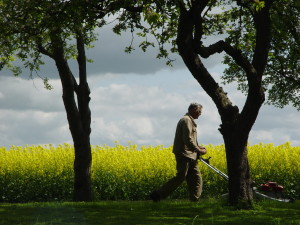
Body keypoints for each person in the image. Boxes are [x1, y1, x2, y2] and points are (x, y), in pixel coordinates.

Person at [150, 102, 207, 202]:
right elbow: (187, 139)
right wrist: (198, 149)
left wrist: (198, 147)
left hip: (191, 155)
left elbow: (190, 140)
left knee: (196, 178)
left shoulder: (189, 120)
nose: (200, 113)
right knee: (181, 177)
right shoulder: (186, 120)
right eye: (199, 111)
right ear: (193, 109)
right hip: (184, 154)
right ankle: (157, 194)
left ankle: (195, 201)